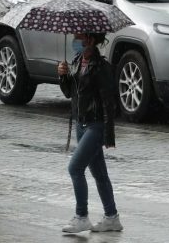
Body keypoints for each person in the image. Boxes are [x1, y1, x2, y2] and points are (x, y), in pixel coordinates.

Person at [58, 33, 123, 234]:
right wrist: (63, 75)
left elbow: (109, 103)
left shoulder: (102, 67)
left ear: (91, 40)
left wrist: (107, 133)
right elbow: (70, 93)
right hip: (81, 123)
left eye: (80, 36)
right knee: (99, 173)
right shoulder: (77, 61)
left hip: (95, 125)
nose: (76, 40)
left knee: (75, 168)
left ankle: (81, 216)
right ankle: (112, 217)